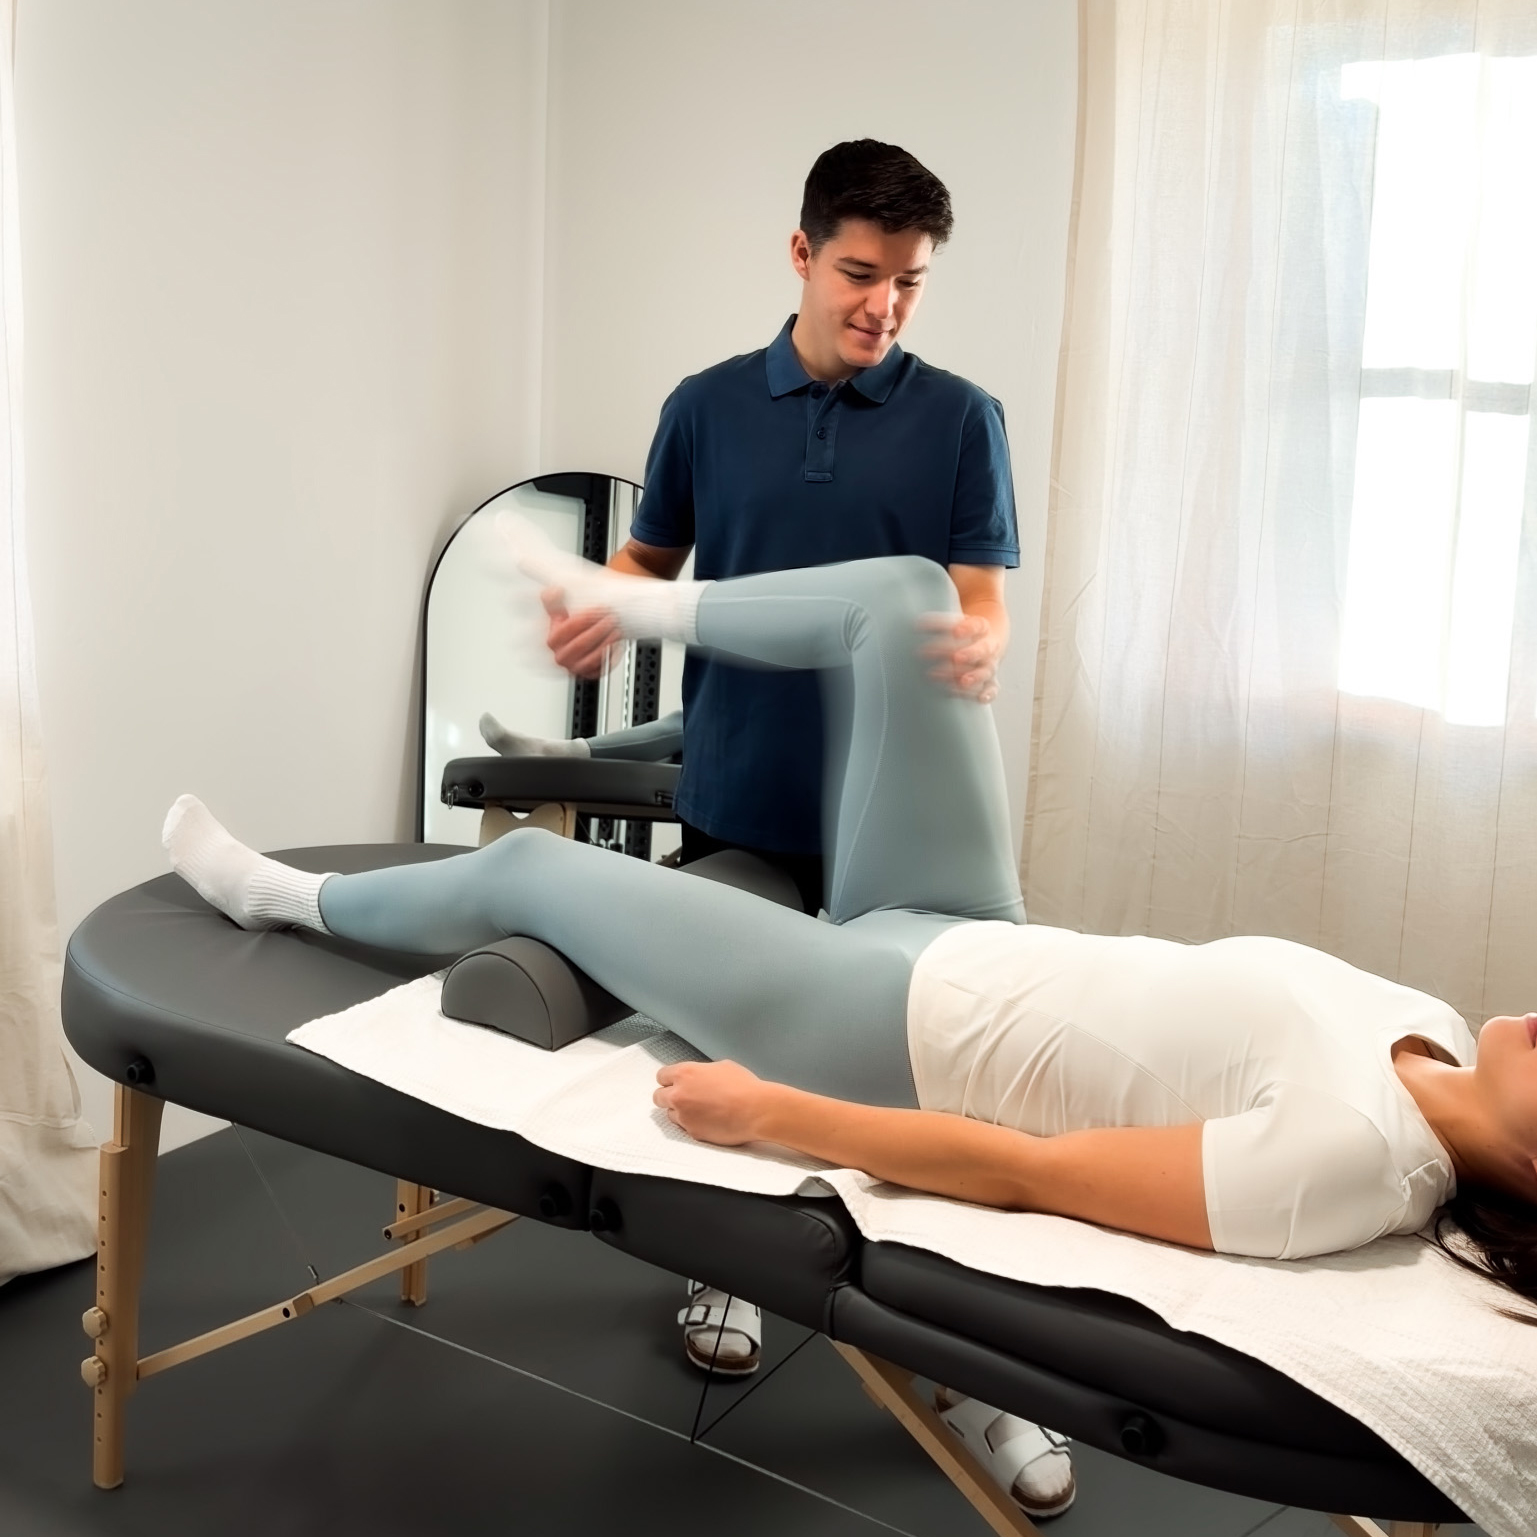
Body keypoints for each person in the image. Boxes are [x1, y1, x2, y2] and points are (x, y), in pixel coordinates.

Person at [167, 546, 1537, 1385]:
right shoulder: (1422, 1026)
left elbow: (1034, 1175)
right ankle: (619, 603)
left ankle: (284, 896)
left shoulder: (1352, 1166)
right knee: (908, 601)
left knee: (533, 870)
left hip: (883, 1024)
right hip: (969, 926)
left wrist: (773, 1115)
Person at [488, 136, 1022, 1409]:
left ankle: (975, 1374)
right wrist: (600, 610)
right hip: (744, 792)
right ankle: (728, 1262)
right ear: (799, 252)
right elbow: (643, 569)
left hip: (900, 826)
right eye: (857, 272)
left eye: (908, 282)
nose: (881, 306)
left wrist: (982, 644)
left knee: (925, 1085)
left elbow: (981, 601)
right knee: (736, 1054)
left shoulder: (962, 419)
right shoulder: (704, 407)